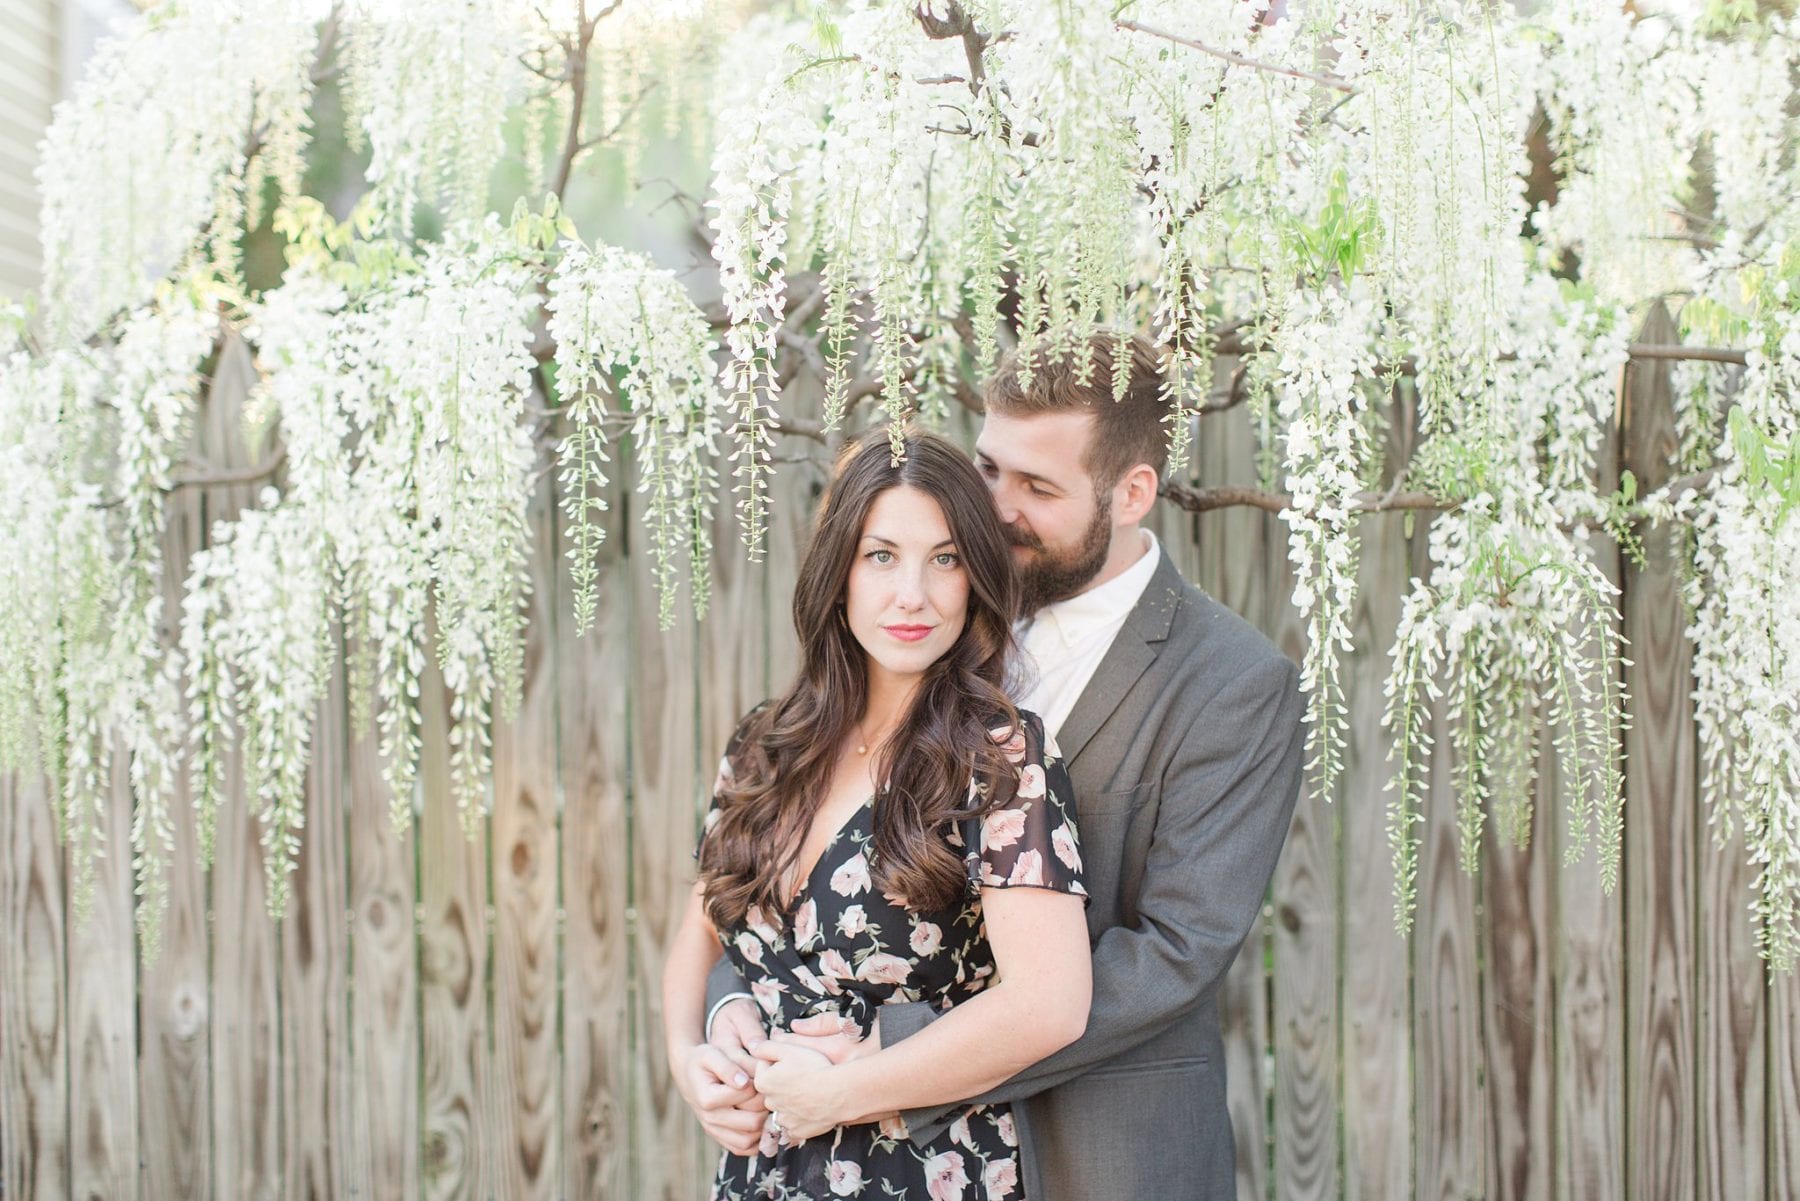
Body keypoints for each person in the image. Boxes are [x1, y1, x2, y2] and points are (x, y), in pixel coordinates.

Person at [699, 331, 1307, 1201]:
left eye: (1038, 487)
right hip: (836, 1140)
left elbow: (1175, 950)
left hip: (1100, 1145)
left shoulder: (1233, 683)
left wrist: (897, 1048)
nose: (997, 506)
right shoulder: (932, 615)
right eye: (991, 468)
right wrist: (738, 1018)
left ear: (1132, 493)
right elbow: (805, 876)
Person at [662, 430, 1094, 1201]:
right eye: (881, 555)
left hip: (923, 1171)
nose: (913, 595)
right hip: (764, 1171)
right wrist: (690, 1057)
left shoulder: (1002, 755)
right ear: (839, 574)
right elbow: (700, 933)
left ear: (975, 580)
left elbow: (1049, 1006)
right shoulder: (766, 744)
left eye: (946, 558)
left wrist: (839, 1094)